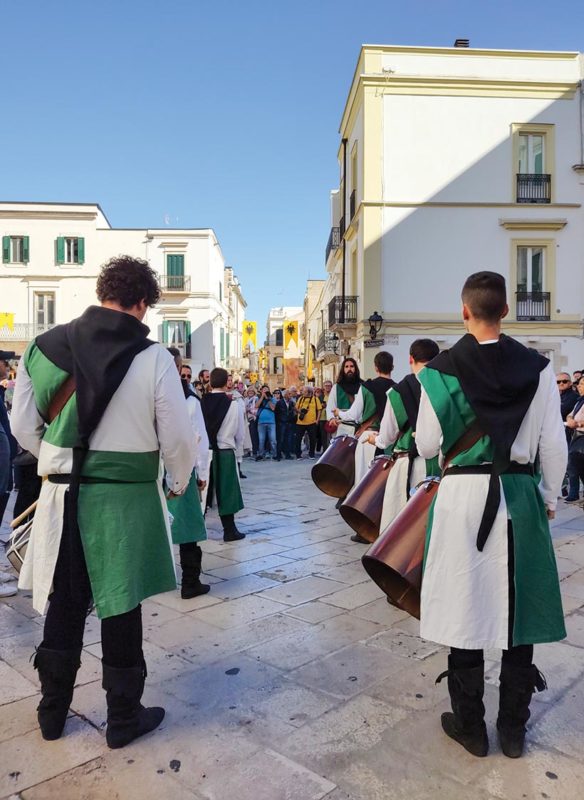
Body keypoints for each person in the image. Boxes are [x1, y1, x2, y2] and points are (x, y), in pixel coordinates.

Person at [10, 255, 194, 748]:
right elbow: (177, 436)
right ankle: (123, 719)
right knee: (121, 605)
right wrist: (177, 481)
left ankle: (52, 715)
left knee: (63, 605)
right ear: (141, 303)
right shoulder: (154, 356)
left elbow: (22, 427)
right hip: (125, 499)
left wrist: (61, 458)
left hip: (61, 497)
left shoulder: (42, 347)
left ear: (102, 292)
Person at [416, 271, 566, 759]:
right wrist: (547, 498)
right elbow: (553, 445)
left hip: (463, 496)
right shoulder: (539, 368)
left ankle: (471, 728)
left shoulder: (437, 371)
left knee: (465, 606)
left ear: (464, 311)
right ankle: (514, 731)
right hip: (519, 493)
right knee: (518, 612)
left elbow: (426, 445)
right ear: (505, 310)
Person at [364, 340, 440, 545]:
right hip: (441, 467)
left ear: (410, 359)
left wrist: (374, 439)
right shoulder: (445, 388)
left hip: (408, 463)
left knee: (400, 528)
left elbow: (387, 436)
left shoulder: (397, 392)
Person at [166, 348, 211, 598]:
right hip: (180, 470)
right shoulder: (190, 401)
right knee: (186, 529)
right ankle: (190, 582)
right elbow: (199, 440)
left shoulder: (147, 396)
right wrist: (202, 472)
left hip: (150, 471)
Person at [201, 368, 245, 541]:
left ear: (210, 382)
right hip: (226, 451)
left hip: (207, 452)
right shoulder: (233, 404)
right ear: (226, 382)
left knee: (204, 491)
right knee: (227, 491)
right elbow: (240, 433)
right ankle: (229, 530)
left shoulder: (200, 402)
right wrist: (239, 453)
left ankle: (199, 527)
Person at [564, 375, 584, 503]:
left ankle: (574, 493)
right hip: (577, 436)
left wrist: (577, 423)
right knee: (574, 464)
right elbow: (569, 415)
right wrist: (570, 420)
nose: (579, 386)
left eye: (582, 384)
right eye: (579, 384)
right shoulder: (579, 401)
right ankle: (574, 493)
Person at [294, 386, 323, 459]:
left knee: (312, 439)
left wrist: (317, 420)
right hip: (300, 423)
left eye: (304, 391)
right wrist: (300, 411)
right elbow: (296, 408)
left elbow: (319, 410)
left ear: (309, 392)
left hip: (312, 423)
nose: (302, 392)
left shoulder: (315, 399)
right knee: (298, 439)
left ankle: (311, 454)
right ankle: (298, 455)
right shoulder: (300, 399)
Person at [255, 385, 276, 460]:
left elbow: (273, 408)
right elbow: (256, 406)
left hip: (271, 422)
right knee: (261, 440)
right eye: (264, 390)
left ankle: (274, 454)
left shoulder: (273, 399)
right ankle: (261, 454)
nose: (265, 391)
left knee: (273, 439)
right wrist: (262, 397)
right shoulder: (259, 398)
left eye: (267, 390)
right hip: (261, 422)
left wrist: (267, 399)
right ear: (261, 391)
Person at [275, 389, 295, 460]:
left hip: (289, 423)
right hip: (281, 423)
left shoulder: (291, 403)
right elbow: (276, 413)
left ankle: (287, 455)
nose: (290, 395)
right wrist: (279, 422)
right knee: (280, 439)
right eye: (289, 394)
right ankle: (278, 455)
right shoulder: (279, 402)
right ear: (285, 395)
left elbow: (292, 412)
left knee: (288, 439)